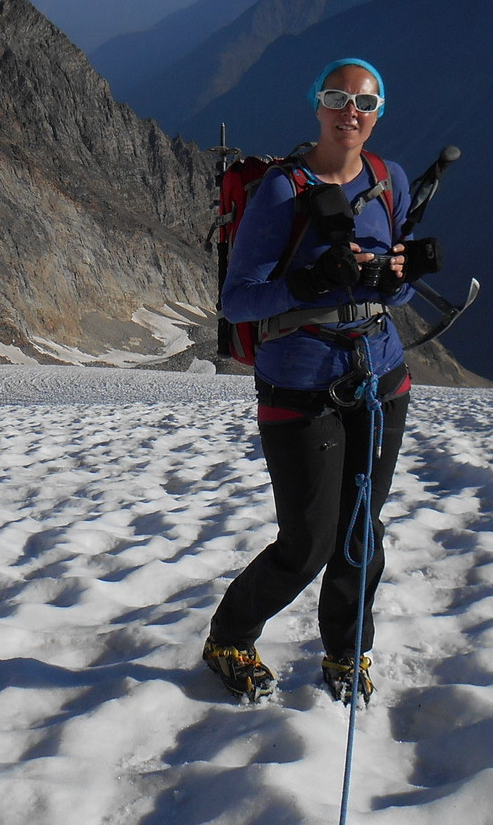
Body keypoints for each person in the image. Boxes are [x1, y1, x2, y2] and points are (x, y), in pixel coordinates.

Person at [203, 57, 428, 704]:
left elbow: (400, 288)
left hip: (380, 377)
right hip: (298, 387)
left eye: (364, 100)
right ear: (318, 106)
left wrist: (394, 279)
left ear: (379, 110)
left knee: (362, 528)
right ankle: (230, 635)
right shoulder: (282, 191)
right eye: (337, 97)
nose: (349, 110)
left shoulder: (392, 180)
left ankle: (346, 652)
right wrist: (306, 282)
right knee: (308, 541)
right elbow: (237, 301)